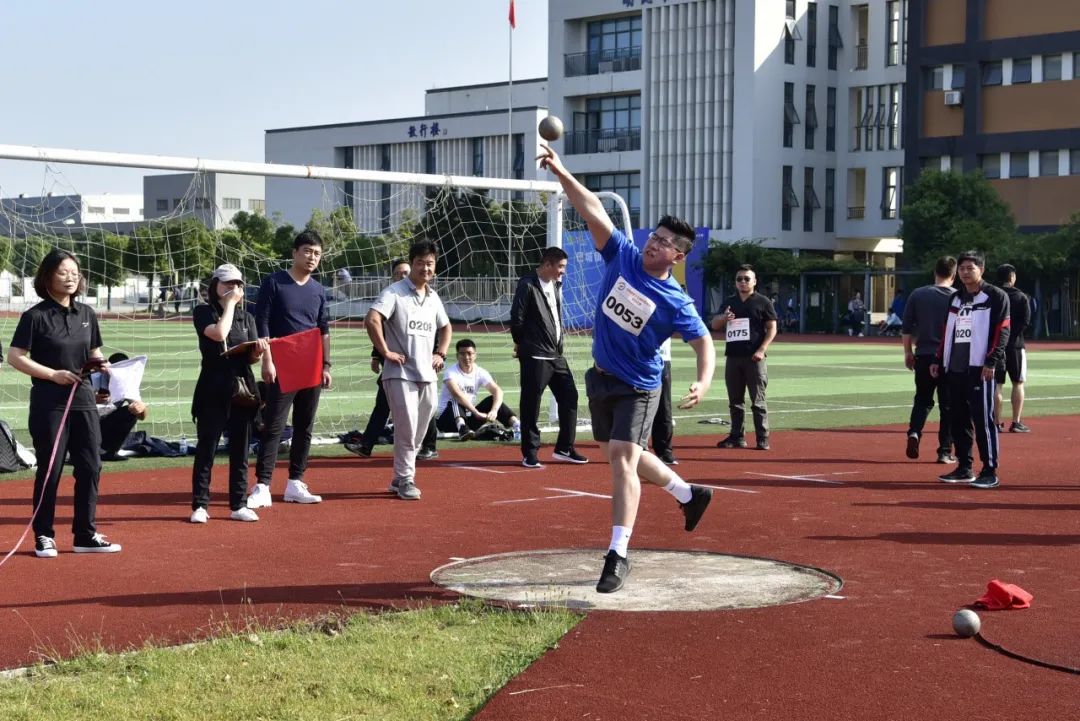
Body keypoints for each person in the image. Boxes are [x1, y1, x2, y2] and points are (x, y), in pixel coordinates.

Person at [538, 143, 716, 594]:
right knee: (620, 453)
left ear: (678, 256)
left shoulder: (677, 300)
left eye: (663, 242)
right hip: (602, 378)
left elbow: (703, 341)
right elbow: (594, 208)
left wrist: (704, 378)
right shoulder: (622, 255)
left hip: (640, 385)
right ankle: (687, 493)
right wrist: (562, 172)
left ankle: (617, 555)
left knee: (622, 459)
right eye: (653, 236)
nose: (653, 243)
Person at [7, 248, 121, 557]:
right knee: (51, 469)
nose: (70, 277)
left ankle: (85, 534)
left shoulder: (86, 314)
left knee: (90, 465)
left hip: (83, 399)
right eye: (62, 272)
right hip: (49, 402)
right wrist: (52, 375)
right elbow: (15, 357)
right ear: (47, 277)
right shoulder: (35, 316)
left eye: (75, 273)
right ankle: (44, 535)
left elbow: (94, 352)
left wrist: (104, 368)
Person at [246, 230, 331, 509]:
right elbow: (263, 322)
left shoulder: (318, 290)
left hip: (311, 364)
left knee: (305, 425)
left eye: (317, 253)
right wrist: (268, 360)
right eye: (307, 251)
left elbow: (323, 330)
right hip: (282, 361)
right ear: (295, 252)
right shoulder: (274, 282)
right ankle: (262, 485)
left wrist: (326, 365)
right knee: (274, 424)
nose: (312, 257)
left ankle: (295, 482)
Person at [366, 239, 451, 501]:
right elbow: (372, 318)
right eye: (420, 263)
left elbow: (446, 327)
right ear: (412, 263)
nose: (425, 268)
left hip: (427, 374)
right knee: (407, 425)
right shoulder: (394, 292)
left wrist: (441, 353)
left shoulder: (434, 297)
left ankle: (400, 475)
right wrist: (385, 352)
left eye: (430, 264)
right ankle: (405, 479)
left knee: (421, 428)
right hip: (399, 372)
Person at [189, 264, 268, 523]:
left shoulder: (248, 318)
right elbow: (219, 333)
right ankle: (200, 505)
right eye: (227, 284)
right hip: (213, 386)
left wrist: (257, 352)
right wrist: (231, 305)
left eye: (238, 284)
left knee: (240, 448)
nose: (233, 289)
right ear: (215, 287)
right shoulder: (203, 311)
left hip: (242, 386)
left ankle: (238, 504)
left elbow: (252, 358)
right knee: (207, 447)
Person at [931, 250, 1010, 489]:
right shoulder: (955, 298)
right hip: (955, 368)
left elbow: (1002, 331)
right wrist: (938, 358)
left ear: (981, 270)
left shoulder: (996, 296)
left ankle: (989, 469)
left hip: (980, 368)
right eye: (962, 269)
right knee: (958, 418)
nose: (965, 273)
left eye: (970, 268)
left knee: (983, 420)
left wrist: (991, 361)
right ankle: (965, 467)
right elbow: (947, 332)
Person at [510, 246, 587, 469]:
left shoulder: (555, 284)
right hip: (535, 355)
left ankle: (564, 447)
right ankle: (530, 453)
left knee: (570, 397)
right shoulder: (527, 284)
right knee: (531, 405)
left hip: (556, 355)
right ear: (547, 265)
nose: (563, 271)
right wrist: (521, 343)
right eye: (561, 267)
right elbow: (517, 318)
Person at [711, 265, 777, 451]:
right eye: (739, 279)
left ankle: (762, 438)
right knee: (735, 401)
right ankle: (737, 436)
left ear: (754, 282)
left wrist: (762, 349)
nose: (743, 282)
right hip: (733, 357)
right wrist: (724, 318)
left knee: (757, 401)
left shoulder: (763, 302)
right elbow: (714, 325)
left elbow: (772, 328)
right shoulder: (729, 302)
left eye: (747, 279)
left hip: (754, 358)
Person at [902, 256, 958, 464]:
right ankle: (944, 450)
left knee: (922, 399)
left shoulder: (918, 294)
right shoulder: (958, 297)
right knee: (948, 406)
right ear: (953, 276)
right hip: (949, 358)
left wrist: (908, 352)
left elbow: (906, 328)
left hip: (924, 354)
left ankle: (914, 432)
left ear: (935, 272)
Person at [435, 339, 520, 440]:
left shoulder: (480, 372)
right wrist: (476, 412)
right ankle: (462, 428)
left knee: (492, 399)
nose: (466, 357)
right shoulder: (451, 373)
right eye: (462, 354)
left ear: (475, 355)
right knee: (456, 400)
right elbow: (457, 395)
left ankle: (518, 426)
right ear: (457, 356)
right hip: (447, 420)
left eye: (469, 353)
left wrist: (494, 410)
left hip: (469, 417)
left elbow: (497, 391)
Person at [993, 264, 1031, 433]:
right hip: (1015, 345)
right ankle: (1016, 422)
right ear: (1012, 277)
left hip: (995, 345)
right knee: (1018, 383)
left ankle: (995, 422)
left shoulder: (991, 295)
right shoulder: (1021, 296)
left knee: (997, 385)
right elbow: (1026, 321)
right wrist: (1012, 335)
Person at [93, 352, 148, 462]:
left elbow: (142, 416)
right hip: (86, 423)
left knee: (130, 412)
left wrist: (141, 408)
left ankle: (110, 452)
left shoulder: (126, 382)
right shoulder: (93, 378)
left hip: (104, 424)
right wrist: (91, 398)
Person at [649, 338, 677, 465]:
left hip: (662, 358)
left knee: (664, 406)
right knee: (633, 405)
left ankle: (664, 450)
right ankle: (636, 447)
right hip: (637, 358)